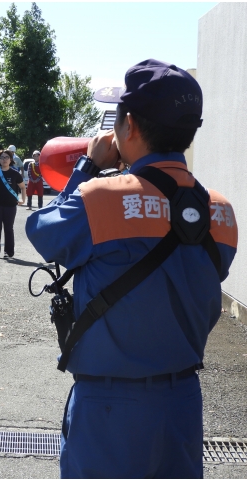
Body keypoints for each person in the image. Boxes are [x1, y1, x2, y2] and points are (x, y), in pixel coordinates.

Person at [25, 59, 238, 478]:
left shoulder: (100, 197)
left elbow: (43, 233)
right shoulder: (221, 211)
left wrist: (88, 166)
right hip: (182, 402)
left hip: (108, 408)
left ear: (130, 126)